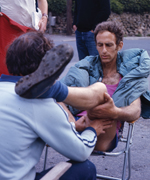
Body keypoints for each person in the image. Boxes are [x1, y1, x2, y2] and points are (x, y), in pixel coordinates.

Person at [0, 31, 113, 180]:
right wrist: (93, 129)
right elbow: (81, 150)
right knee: (86, 168)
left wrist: (72, 126)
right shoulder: (41, 104)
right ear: (47, 66)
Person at [60, 21, 150, 152]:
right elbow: (60, 95)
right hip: (77, 124)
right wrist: (73, 122)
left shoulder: (128, 75)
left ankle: (90, 115)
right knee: (51, 92)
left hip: (105, 129)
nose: (103, 51)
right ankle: (74, 125)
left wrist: (114, 111)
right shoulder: (86, 67)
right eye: (100, 45)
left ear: (119, 46)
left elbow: (135, 111)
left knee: (101, 95)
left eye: (108, 45)